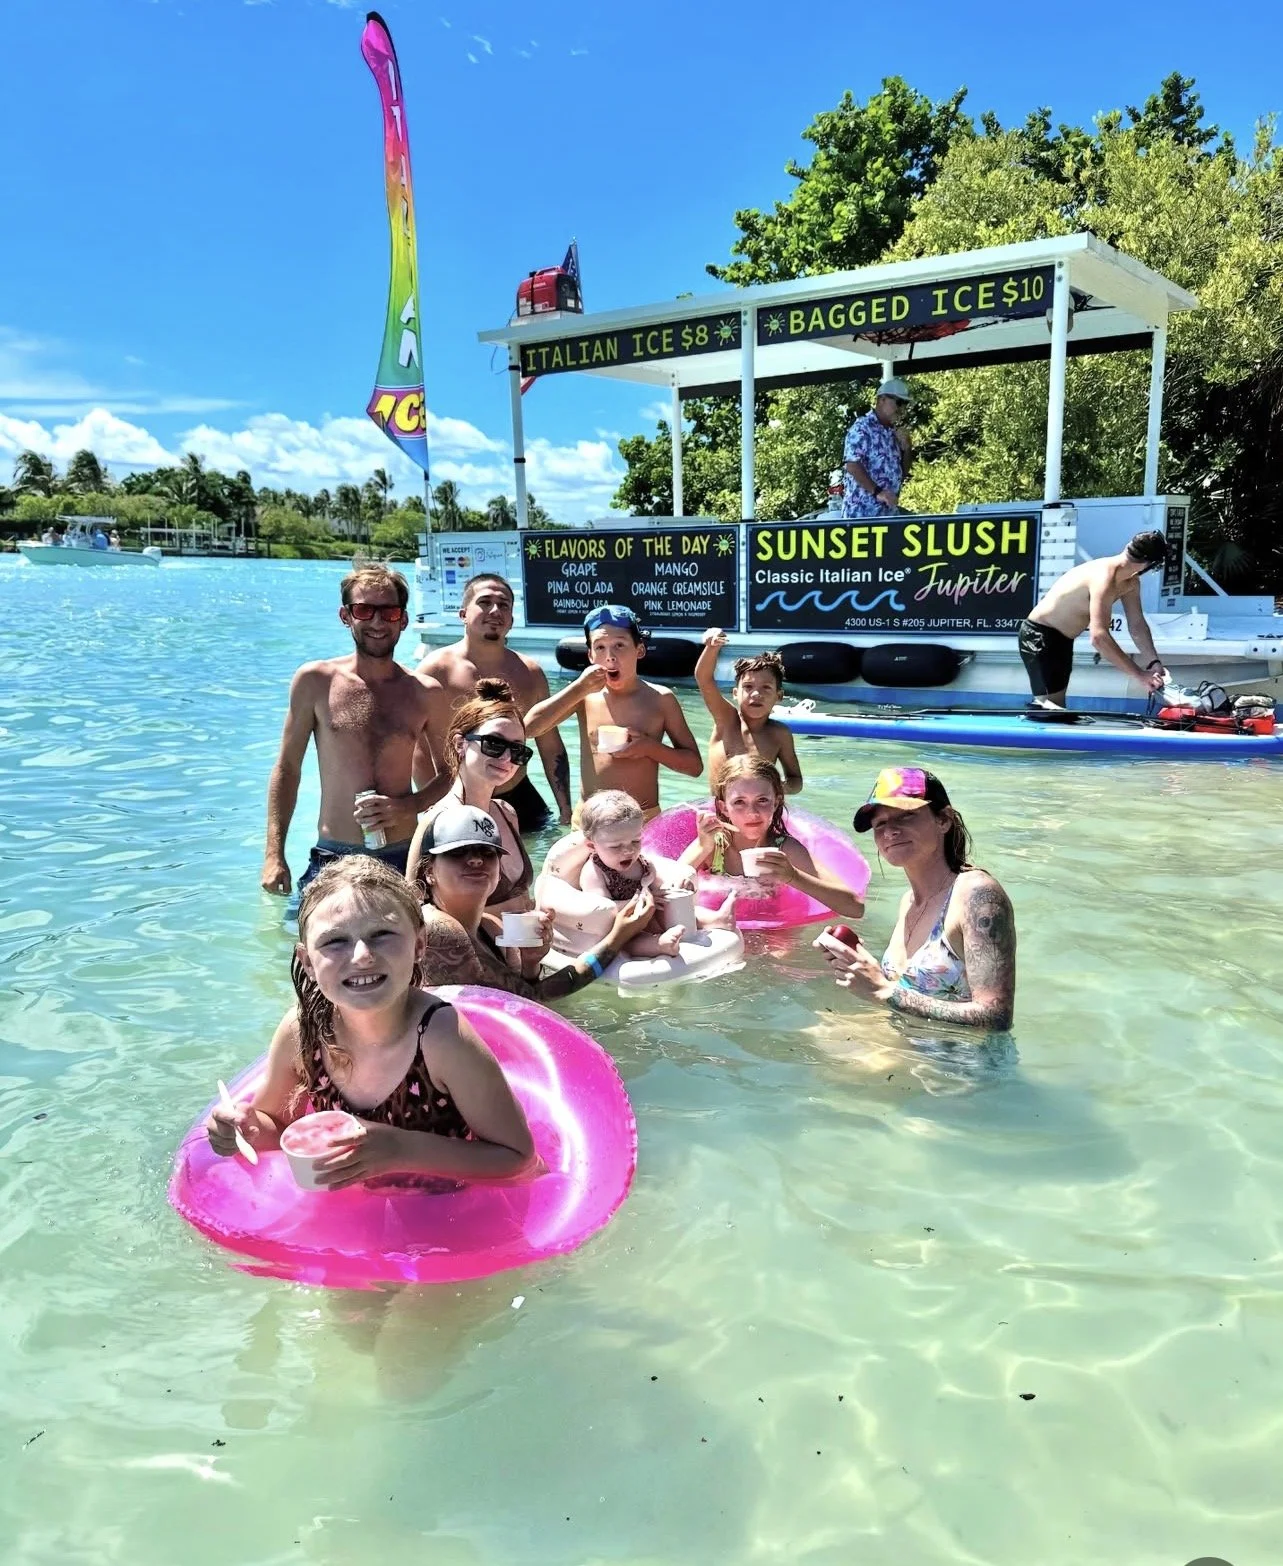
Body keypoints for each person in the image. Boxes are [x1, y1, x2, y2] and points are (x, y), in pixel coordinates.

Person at [206, 855, 537, 1188]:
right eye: (335, 941)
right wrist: (245, 1129)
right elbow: (276, 1126)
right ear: (307, 962)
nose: (362, 956)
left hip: (442, 1210)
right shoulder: (302, 1031)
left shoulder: (442, 1038)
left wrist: (401, 1149)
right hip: (354, 1213)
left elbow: (517, 1156)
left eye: (382, 934)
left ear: (419, 945)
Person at [260, 563, 450, 897]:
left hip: (404, 856)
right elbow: (287, 769)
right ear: (346, 616)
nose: (377, 622)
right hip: (335, 856)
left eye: (389, 612)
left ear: (403, 620)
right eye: (364, 610)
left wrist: (408, 806)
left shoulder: (425, 692)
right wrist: (274, 854)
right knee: (310, 947)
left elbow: (451, 773)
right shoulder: (315, 681)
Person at [815, 766, 1015, 1030]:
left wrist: (884, 992)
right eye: (881, 823)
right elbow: (902, 988)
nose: (890, 831)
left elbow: (995, 1017)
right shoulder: (908, 901)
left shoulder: (977, 895)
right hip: (908, 1052)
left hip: (960, 1067)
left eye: (906, 816)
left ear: (943, 820)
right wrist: (858, 965)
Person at [414, 804, 656, 1001]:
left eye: (487, 852)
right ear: (428, 871)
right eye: (458, 852)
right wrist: (618, 937)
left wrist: (531, 963)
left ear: (499, 869)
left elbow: (517, 1000)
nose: (476, 860)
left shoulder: (490, 927)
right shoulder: (438, 929)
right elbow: (533, 998)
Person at [415, 574, 572, 831]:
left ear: (511, 620)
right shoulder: (435, 671)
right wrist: (431, 804)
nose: (495, 611)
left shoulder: (529, 672)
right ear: (463, 614)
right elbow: (416, 749)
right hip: (461, 799)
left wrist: (566, 809)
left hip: (520, 796)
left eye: (504, 605)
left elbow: (550, 744)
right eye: (485, 602)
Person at [524, 604, 702, 819]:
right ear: (590, 655)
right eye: (600, 647)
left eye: (619, 645)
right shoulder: (584, 696)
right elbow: (529, 728)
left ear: (640, 650)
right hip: (590, 819)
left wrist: (649, 747)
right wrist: (578, 688)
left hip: (642, 819)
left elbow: (694, 767)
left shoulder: (660, 699)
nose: (610, 656)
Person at [405, 678, 535, 916]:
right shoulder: (438, 821)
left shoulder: (506, 813)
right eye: (494, 743)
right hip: (467, 952)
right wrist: (504, 914)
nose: (506, 758)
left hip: (513, 951)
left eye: (517, 750)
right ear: (459, 743)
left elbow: (521, 898)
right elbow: (417, 914)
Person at [680, 755, 865, 920]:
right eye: (739, 802)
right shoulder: (713, 845)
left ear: (776, 803)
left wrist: (793, 876)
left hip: (775, 931)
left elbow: (855, 908)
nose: (752, 813)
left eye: (762, 800)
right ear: (723, 808)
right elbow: (666, 886)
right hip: (718, 925)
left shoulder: (785, 849)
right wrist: (703, 847)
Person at [1018, 531, 1169, 708]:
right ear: (1148, 564)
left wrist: (1154, 662)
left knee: (1056, 709)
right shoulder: (1104, 577)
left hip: (1062, 640)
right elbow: (1098, 637)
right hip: (1039, 635)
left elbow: (1137, 625)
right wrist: (1140, 675)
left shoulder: (1131, 582)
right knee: (1049, 708)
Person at [574, 791, 693, 959]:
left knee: (691, 912)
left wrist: (676, 889)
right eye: (616, 846)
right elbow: (603, 911)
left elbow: (659, 889)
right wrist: (641, 901)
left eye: (636, 841)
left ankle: (716, 920)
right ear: (591, 846)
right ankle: (660, 944)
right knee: (629, 941)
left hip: (648, 918)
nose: (629, 850)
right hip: (622, 928)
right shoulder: (594, 873)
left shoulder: (642, 864)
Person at [694, 630, 803, 794]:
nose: (756, 694)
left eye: (766, 688)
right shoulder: (727, 720)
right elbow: (703, 678)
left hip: (759, 810)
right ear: (735, 694)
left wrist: (773, 788)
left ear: (778, 696)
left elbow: (796, 780)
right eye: (748, 687)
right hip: (721, 810)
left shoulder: (779, 734)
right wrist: (711, 647)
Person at [842, 377, 913, 520]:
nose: (902, 409)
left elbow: (902, 473)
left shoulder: (894, 433)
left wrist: (907, 449)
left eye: (905, 404)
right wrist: (878, 492)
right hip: (862, 517)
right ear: (882, 400)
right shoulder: (862, 427)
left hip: (888, 518)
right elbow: (852, 465)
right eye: (899, 402)